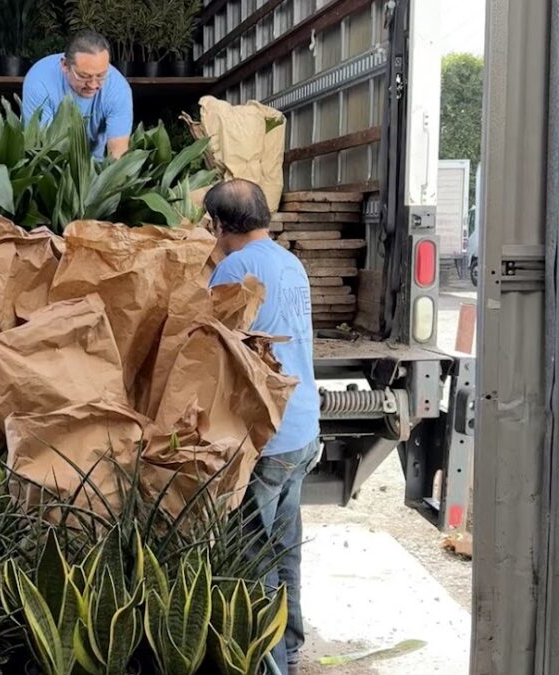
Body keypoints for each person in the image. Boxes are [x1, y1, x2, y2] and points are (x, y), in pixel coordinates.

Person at [205, 179, 320, 675]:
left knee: (253, 557)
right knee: (284, 545)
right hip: (303, 426)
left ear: (219, 225)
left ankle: (268, 664)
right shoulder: (290, 263)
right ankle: (291, 646)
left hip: (266, 438)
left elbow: (208, 345)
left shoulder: (235, 268)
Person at [22, 30, 133, 160]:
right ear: (65, 65)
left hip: (94, 166)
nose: (93, 85)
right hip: (49, 166)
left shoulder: (118, 88)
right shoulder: (39, 81)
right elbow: (40, 148)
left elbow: (118, 154)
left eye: (101, 76)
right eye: (83, 76)